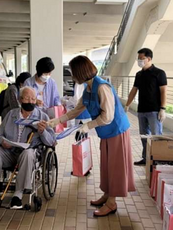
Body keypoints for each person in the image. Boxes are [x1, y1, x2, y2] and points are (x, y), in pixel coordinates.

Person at [48, 55, 135, 217]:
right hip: (106, 133)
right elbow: (77, 109)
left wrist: (88, 126)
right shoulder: (88, 88)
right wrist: (57, 121)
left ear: (80, 72)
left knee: (115, 167)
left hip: (117, 131)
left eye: (73, 73)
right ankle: (107, 195)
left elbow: (108, 116)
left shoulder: (102, 87)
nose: (72, 76)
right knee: (107, 165)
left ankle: (112, 203)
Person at [0, 86, 56, 209]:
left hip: (28, 155)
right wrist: (3, 141)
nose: (30, 101)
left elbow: (51, 141)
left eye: (33, 98)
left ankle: (18, 195)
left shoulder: (42, 117)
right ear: (20, 99)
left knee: (28, 153)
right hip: (9, 152)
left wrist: (42, 132)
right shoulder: (11, 114)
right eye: (27, 98)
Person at [124, 48, 167, 166]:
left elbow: (163, 91)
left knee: (156, 135)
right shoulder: (139, 74)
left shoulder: (159, 73)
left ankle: (158, 159)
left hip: (154, 110)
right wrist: (127, 104)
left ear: (149, 59)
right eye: (138, 58)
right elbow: (133, 91)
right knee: (144, 136)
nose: (139, 61)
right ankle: (146, 158)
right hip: (142, 110)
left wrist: (162, 109)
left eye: (141, 58)